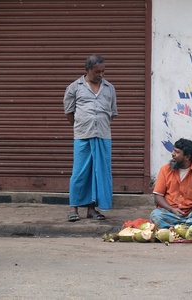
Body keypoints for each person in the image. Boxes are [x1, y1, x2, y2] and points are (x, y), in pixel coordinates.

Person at [63, 54, 118, 222]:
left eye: (103, 71)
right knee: (80, 172)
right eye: (97, 72)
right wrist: (82, 125)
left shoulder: (109, 88)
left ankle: (91, 210)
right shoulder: (74, 87)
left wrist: (99, 124)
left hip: (103, 136)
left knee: (99, 172)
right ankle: (74, 209)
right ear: (86, 70)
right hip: (83, 136)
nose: (101, 75)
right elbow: (68, 112)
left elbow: (112, 113)